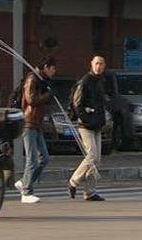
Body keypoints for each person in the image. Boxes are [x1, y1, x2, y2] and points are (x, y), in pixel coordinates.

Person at [67, 53, 113, 201]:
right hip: (85, 124)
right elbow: (77, 103)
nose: (99, 66)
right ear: (91, 64)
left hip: (97, 124)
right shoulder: (85, 81)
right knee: (92, 154)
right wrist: (86, 118)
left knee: (97, 159)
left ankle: (90, 191)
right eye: (96, 63)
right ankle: (73, 181)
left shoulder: (100, 81)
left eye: (101, 64)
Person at [15, 55, 56, 204]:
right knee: (32, 158)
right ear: (46, 67)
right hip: (29, 122)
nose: (54, 72)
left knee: (44, 158)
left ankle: (24, 181)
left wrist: (48, 92)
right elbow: (31, 99)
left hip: (37, 124)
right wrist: (47, 95)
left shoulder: (42, 80)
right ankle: (26, 192)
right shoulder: (33, 78)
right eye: (53, 69)